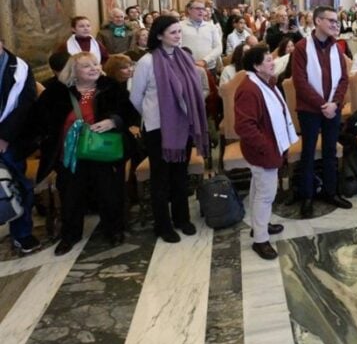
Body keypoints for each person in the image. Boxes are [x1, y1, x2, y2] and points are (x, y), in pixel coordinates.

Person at [36, 52, 132, 254]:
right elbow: (39, 119)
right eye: (87, 66)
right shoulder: (57, 91)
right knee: (71, 196)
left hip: (102, 153)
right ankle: (69, 235)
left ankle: (114, 230)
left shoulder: (110, 87)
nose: (95, 68)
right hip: (69, 156)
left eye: (96, 64)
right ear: (74, 70)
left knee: (109, 193)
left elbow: (130, 112)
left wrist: (113, 121)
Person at [130, 15, 209, 243]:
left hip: (182, 125)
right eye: (173, 32)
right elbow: (136, 97)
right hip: (158, 128)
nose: (177, 36)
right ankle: (163, 225)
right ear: (159, 35)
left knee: (180, 175)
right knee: (161, 178)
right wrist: (155, 113)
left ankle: (182, 219)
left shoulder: (184, 57)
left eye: (179, 32)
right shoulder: (147, 62)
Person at [235, 46, 296, 260]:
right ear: (256, 66)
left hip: (268, 146)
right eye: (268, 60)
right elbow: (245, 127)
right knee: (265, 194)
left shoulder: (263, 81)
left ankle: (258, 226)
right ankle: (260, 240)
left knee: (258, 188)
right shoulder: (249, 89)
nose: (273, 63)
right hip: (262, 150)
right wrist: (267, 147)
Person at [291, 6, 351, 217]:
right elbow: (300, 82)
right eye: (331, 21)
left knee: (330, 151)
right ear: (317, 21)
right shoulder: (301, 47)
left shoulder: (338, 48)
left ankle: (330, 191)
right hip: (309, 110)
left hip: (333, 109)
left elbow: (344, 79)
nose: (336, 24)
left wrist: (334, 103)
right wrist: (321, 105)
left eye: (337, 21)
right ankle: (307, 196)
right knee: (308, 152)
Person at [0, 38, 40, 253]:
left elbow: (25, 104)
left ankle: (22, 233)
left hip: (11, 140)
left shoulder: (20, 68)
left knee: (17, 186)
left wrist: (4, 137)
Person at [180, 0, 221, 72]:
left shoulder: (211, 27)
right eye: (198, 8)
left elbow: (218, 47)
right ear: (189, 10)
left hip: (209, 68)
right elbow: (177, 47)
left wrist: (204, 61)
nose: (201, 11)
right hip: (187, 68)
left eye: (203, 9)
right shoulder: (180, 26)